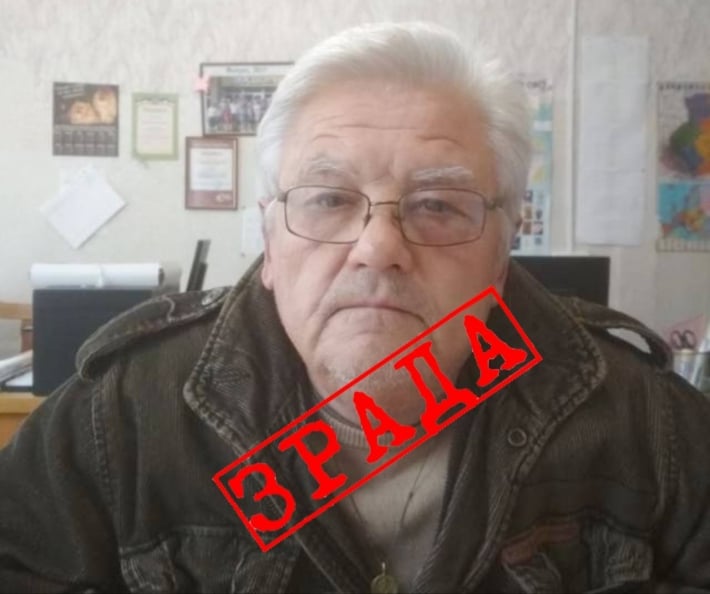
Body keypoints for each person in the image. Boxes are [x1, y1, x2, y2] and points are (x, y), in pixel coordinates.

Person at [1, 22, 710, 593]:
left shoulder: (644, 420)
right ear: (270, 241)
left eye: (438, 205)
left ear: (502, 251)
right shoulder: (123, 413)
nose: (377, 248)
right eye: (329, 199)